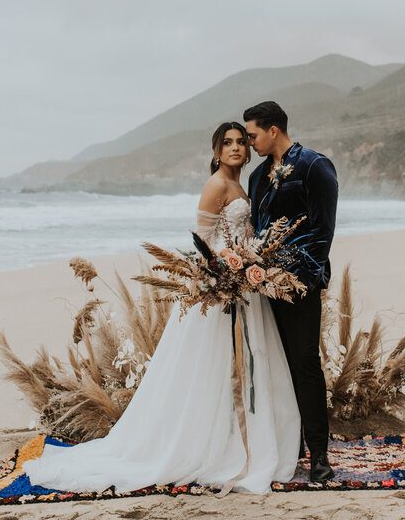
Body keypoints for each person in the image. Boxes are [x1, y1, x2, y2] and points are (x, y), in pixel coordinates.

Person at [20, 122, 301, 494]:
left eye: (240, 142)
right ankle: (216, 448)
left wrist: (249, 266)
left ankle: (237, 443)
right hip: (222, 292)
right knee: (214, 370)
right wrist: (222, 273)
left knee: (242, 368)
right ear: (216, 151)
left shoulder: (242, 185)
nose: (235, 148)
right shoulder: (217, 184)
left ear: (247, 150)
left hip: (245, 289)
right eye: (226, 143)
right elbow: (202, 243)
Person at [243, 100, 338, 484]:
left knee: (304, 364)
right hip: (258, 287)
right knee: (271, 366)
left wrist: (292, 276)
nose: (249, 143)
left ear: (273, 131)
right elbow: (256, 230)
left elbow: (322, 231)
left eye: (252, 135)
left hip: (298, 285)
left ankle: (319, 454)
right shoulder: (255, 177)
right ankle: (286, 445)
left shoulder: (315, 166)